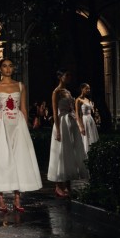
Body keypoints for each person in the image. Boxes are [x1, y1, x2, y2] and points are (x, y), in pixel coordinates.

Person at [0, 58, 42, 212]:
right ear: (0, 69)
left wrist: (26, 128)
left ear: (13, 68)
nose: (8, 69)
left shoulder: (20, 86)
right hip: (3, 125)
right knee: (2, 158)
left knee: (19, 159)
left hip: (18, 124)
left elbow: (23, 109)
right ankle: (1, 199)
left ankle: (17, 199)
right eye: (4, 66)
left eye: (10, 66)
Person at [47, 69, 89, 198]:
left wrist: (77, 123)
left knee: (70, 152)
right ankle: (58, 185)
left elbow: (73, 109)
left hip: (70, 122)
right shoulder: (56, 92)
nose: (69, 77)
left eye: (70, 75)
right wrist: (58, 130)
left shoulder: (68, 92)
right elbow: (55, 112)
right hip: (61, 122)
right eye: (67, 75)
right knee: (61, 152)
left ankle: (68, 183)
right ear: (60, 77)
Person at [75, 83, 99, 152]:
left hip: (90, 120)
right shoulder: (78, 100)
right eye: (87, 88)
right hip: (84, 120)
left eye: (89, 89)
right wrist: (80, 126)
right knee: (85, 137)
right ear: (82, 89)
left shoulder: (88, 99)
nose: (88, 90)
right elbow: (77, 113)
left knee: (91, 137)